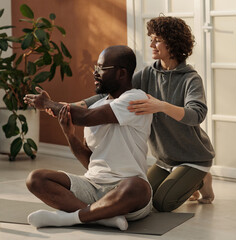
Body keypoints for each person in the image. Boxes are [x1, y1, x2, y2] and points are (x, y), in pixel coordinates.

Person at [83, 16, 215, 212]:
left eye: (157, 39)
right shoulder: (147, 74)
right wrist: (75, 105)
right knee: (143, 198)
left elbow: (197, 114)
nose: (151, 44)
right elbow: (113, 94)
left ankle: (200, 180)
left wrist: (161, 106)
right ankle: (186, 181)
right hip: (164, 160)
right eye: (151, 38)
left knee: (163, 203)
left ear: (173, 42)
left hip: (193, 157)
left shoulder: (190, 79)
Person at [23, 45, 153, 231]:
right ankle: (100, 217)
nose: (95, 73)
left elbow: (85, 118)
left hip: (125, 189)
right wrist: (70, 136)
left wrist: (47, 104)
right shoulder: (95, 107)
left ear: (122, 73)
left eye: (101, 68)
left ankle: (70, 218)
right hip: (92, 186)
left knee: (139, 187)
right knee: (35, 179)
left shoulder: (136, 99)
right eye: (96, 67)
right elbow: (90, 162)